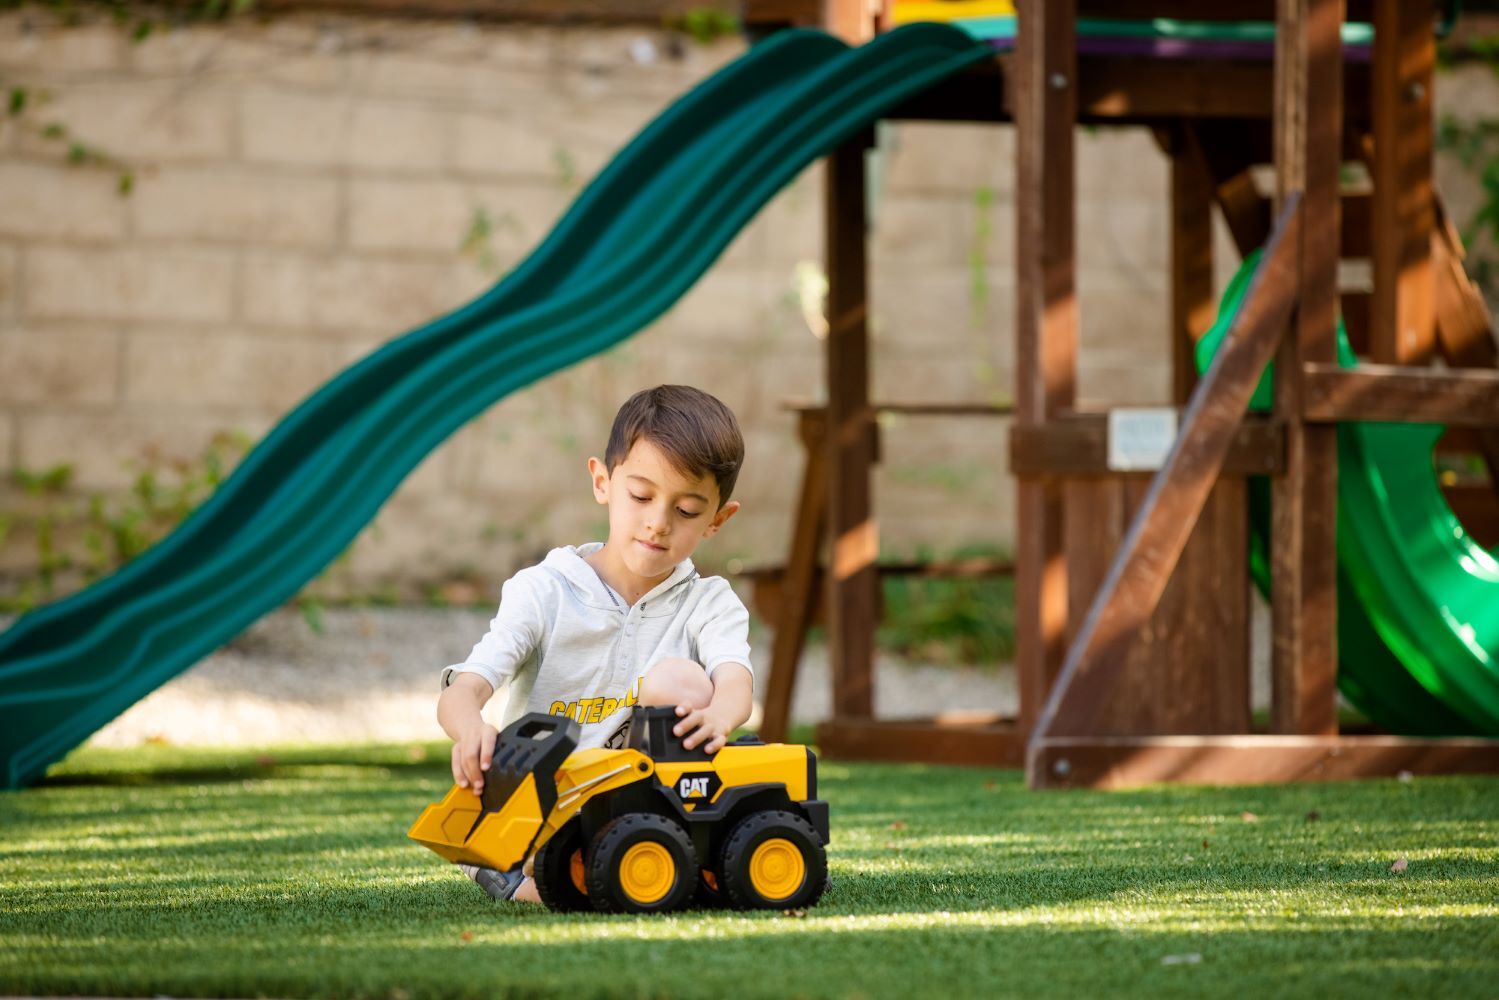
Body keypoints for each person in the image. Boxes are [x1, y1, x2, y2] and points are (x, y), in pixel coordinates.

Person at [436, 384, 753, 903]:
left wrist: (722, 716)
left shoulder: (709, 603)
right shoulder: (544, 591)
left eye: (689, 510)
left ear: (718, 518)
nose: (659, 522)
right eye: (642, 496)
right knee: (533, 868)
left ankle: (656, 860)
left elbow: (735, 680)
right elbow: (464, 689)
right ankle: (534, 872)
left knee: (681, 680)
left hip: (649, 809)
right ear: (603, 482)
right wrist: (470, 728)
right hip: (548, 806)